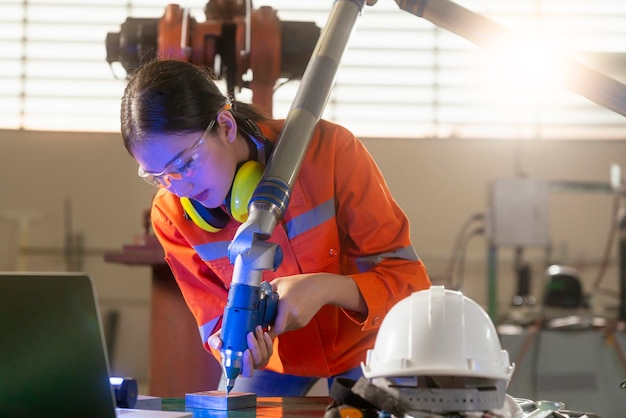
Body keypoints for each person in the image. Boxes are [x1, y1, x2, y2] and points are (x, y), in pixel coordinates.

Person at [120, 59, 431, 396]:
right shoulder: (171, 215)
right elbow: (214, 322)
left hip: (370, 344)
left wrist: (326, 288)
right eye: (158, 176)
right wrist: (231, 344)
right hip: (275, 362)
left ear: (225, 125)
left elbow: (411, 284)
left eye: (186, 163)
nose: (178, 187)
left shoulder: (329, 152)